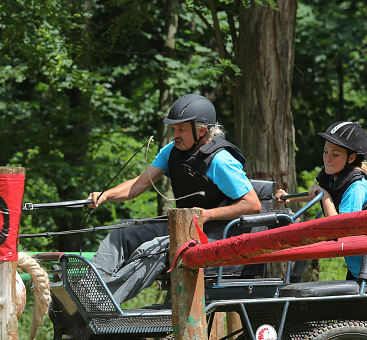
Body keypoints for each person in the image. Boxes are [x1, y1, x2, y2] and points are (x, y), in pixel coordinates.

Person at [87, 94, 261, 304]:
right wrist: (106, 195)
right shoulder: (172, 151)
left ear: (201, 131)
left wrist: (207, 215)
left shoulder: (220, 160)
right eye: (174, 129)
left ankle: (99, 303)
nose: (175, 135)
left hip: (217, 235)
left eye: (181, 130)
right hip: (185, 228)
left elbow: (252, 204)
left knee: (155, 248)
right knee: (122, 231)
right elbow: (138, 185)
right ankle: (89, 288)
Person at [274, 121, 367, 280]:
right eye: (325, 151)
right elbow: (318, 195)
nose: (327, 159)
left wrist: (325, 196)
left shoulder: (356, 187)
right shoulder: (335, 175)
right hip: (358, 264)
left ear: (351, 158)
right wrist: (289, 198)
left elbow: (339, 229)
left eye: (335, 154)